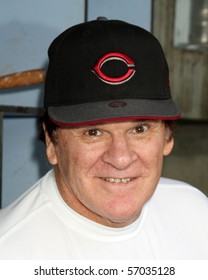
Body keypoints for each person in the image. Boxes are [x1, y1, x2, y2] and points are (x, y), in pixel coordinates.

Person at [0, 18, 208, 260]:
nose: (120, 158)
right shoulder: (9, 255)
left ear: (168, 137)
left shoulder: (195, 212)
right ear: (51, 142)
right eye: (93, 132)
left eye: (139, 129)